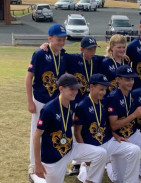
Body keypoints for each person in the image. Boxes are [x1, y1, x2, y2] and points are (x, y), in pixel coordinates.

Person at [33, 73, 107, 183]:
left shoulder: (72, 104)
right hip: (53, 157)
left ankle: (90, 180)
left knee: (101, 153)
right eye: (71, 89)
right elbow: (36, 136)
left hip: (70, 148)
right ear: (61, 89)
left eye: (76, 89)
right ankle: (36, 178)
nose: (75, 92)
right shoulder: (49, 109)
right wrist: (37, 164)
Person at [74, 73, 141, 183]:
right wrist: (85, 156)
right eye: (101, 89)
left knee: (134, 150)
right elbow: (77, 133)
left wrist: (116, 136)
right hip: (93, 146)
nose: (104, 92)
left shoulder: (104, 102)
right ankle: (86, 171)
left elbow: (107, 124)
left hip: (108, 141)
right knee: (90, 172)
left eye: (105, 90)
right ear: (91, 87)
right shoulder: (82, 105)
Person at [25, 24, 68, 183]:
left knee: (53, 132)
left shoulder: (63, 55)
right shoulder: (39, 53)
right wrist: (30, 101)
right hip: (41, 100)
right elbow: (29, 77)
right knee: (37, 133)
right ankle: (33, 166)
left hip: (55, 102)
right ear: (49, 38)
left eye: (64, 39)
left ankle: (51, 163)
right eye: (58, 39)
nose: (61, 42)